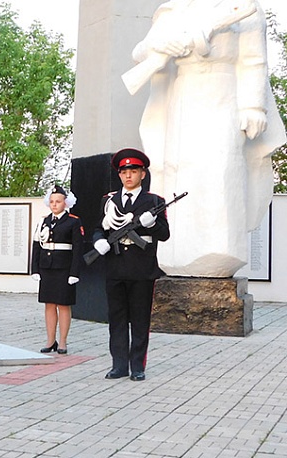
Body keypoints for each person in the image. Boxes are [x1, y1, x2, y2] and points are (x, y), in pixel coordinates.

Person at [134, 0, 286, 277]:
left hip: (223, 91)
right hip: (183, 93)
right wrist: (161, 45)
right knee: (180, 169)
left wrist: (254, 106)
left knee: (221, 170)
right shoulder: (176, 9)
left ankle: (220, 246)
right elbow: (140, 51)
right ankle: (176, 249)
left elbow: (254, 60)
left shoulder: (242, 8)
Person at [92, 148, 169, 382]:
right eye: (124, 172)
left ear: (142, 174)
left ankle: (137, 365)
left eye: (133, 171)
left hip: (142, 269)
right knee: (116, 318)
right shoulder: (109, 200)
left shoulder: (154, 201)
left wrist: (152, 224)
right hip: (115, 267)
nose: (128, 176)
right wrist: (98, 242)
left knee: (139, 319)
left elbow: (164, 235)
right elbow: (99, 227)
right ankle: (118, 365)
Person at [31, 185, 83, 355]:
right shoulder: (44, 220)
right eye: (52, 201)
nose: (54, 204)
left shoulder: (73, 221)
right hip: (47, 267)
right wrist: (35, 269)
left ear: (65, 203)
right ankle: (50, 340)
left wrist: (74, 273)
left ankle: (62, 341)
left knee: (63, 305)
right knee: (49, 304)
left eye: (58, 201)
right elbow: (36, 245)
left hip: (64, 268)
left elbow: (77, 248)